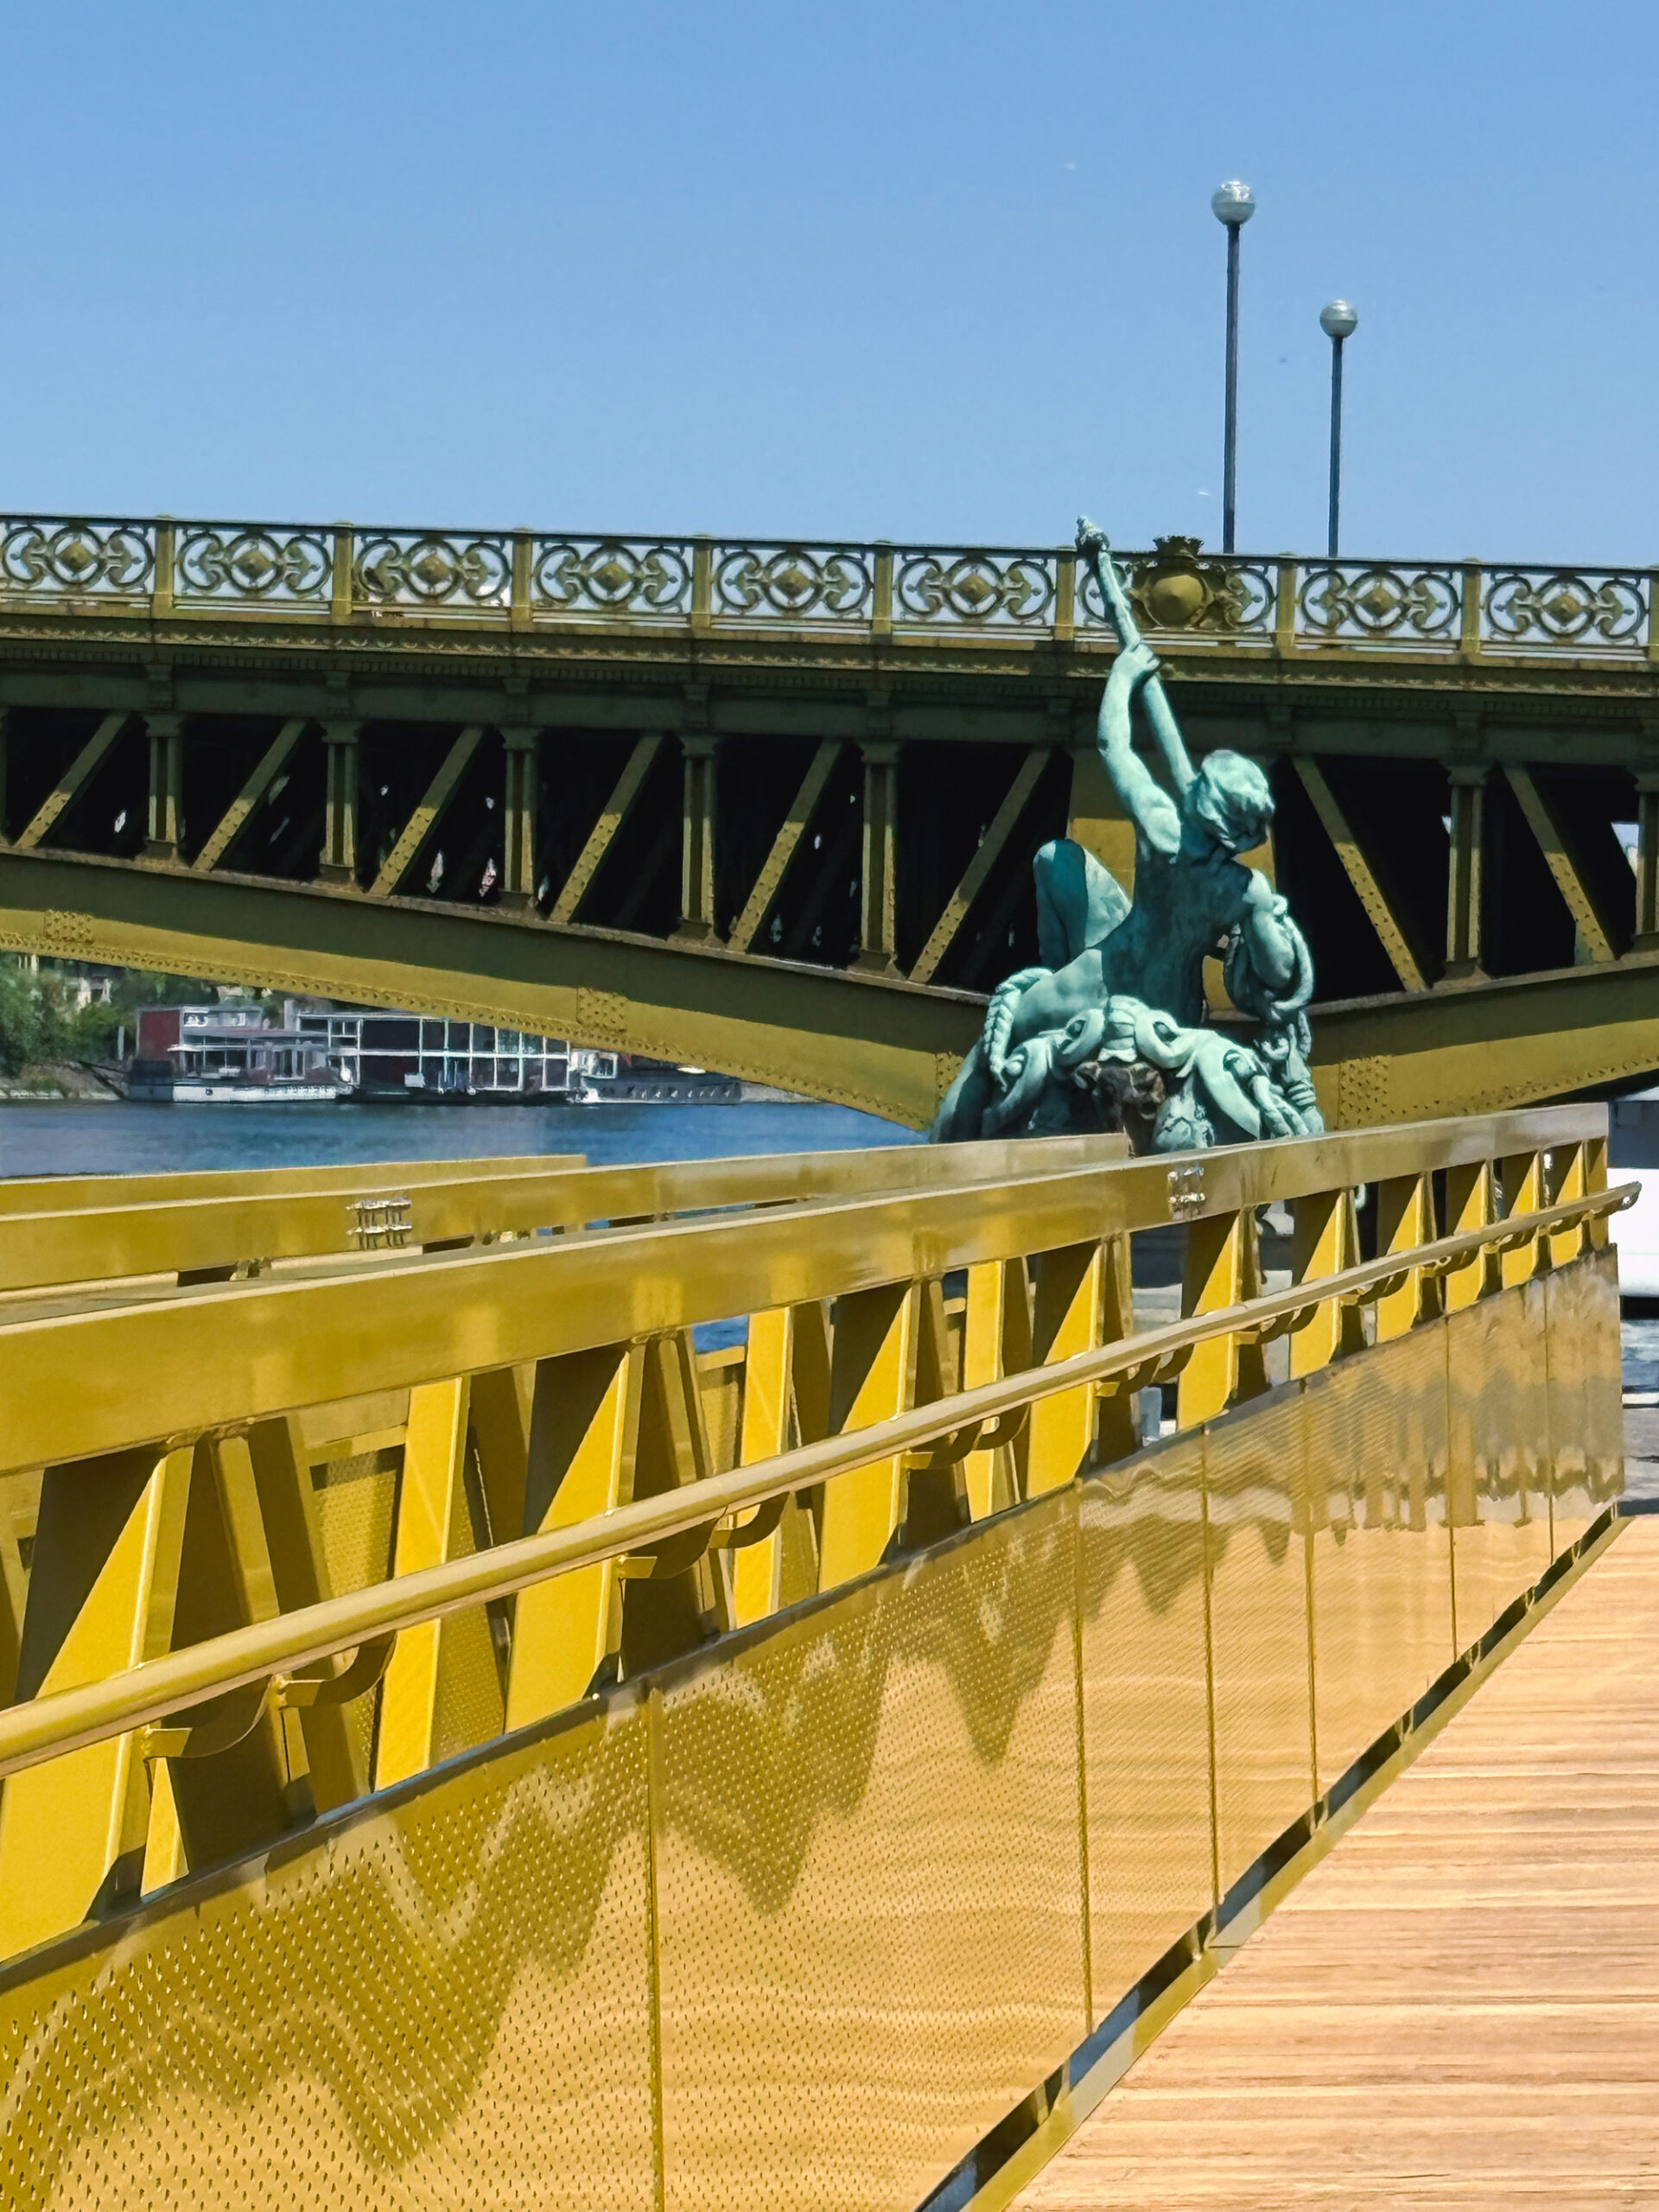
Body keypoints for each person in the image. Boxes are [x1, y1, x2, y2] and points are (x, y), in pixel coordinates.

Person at [934, 630, 1306, 1142]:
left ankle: (942, 1151)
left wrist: (1122, 676)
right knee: (1057, 860)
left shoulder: (1162, 830)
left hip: (1102, 977)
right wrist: (1268, 915)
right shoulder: (1245, 890)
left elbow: (1113, 744)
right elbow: (1279, 975)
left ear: (1201, 801)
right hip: (1170, 1006)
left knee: (987, 1054)